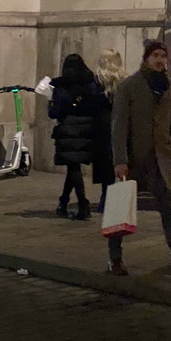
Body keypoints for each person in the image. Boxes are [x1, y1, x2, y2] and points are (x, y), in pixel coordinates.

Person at [108, 40, 171, 281]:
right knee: (121, 209)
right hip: (134, 158)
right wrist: (120, 159)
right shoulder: (129, 86)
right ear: (147, 58)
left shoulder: (169, 87)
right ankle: (115, 258)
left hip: (162, 159)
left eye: (163, 56)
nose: (160, 60)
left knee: (169, 209)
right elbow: (119, 126)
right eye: (156, 55)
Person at [48, 54, 99, 221]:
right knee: (73, 167)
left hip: (68, 129)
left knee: (74, 167)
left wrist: (52, 103)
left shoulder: (61, 86)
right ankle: (63, 202)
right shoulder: (90, 84)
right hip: (86, 129)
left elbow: (54, 112)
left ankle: (83, 204)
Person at [92, 49, 127, 214]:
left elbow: (91, 102)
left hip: (101, 125)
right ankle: (117, 197)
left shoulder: (97, 81)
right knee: (118, 160)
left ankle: (106, 197)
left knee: (105, 164)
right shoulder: (124, 81)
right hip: (119, 123)